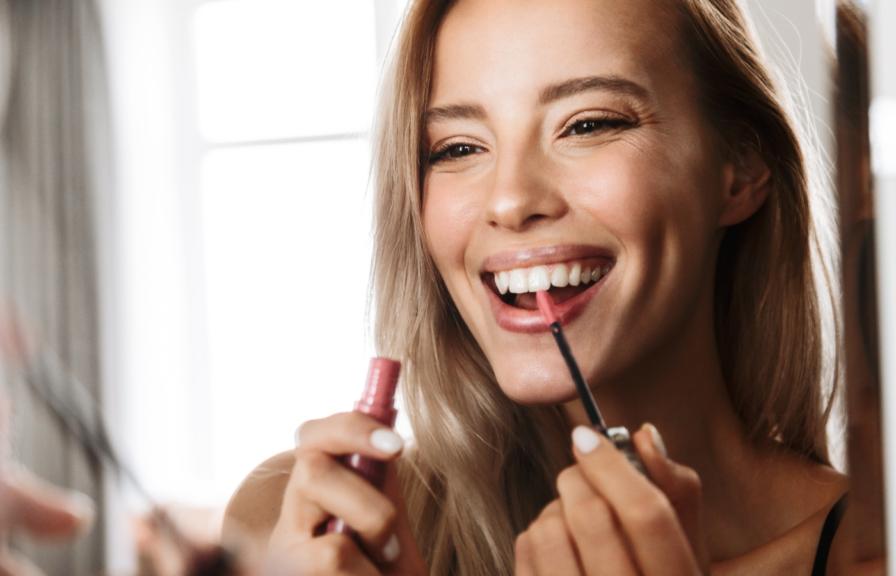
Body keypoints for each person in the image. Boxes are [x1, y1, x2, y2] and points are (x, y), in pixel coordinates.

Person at [224, 0, 851, 574]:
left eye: (586, 125)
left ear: (740, 169)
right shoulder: (291, 532)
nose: (511, 199)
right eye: (458, 147)